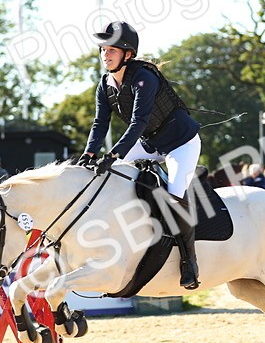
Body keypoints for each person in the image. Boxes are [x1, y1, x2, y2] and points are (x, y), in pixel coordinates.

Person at [82, 21, 203, 289]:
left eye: (112, 50)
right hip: (149, 143)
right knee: (111, 180)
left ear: (127, 54)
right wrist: (89, 153)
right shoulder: (105, 84)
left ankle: (189, 261)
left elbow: (138, 121)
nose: (105, 55)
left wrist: (114, 154)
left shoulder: (143, 78)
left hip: (180, 143)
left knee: (174, 193)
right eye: (103, 50)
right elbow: (100, 123)